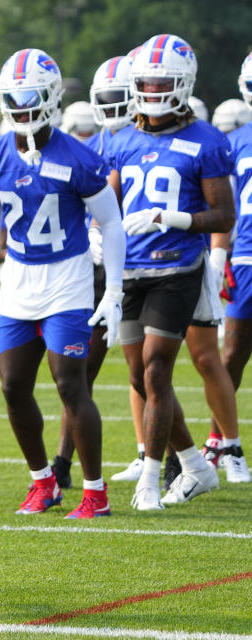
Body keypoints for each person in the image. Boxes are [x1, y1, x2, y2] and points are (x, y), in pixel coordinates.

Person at [0, 48, 126, 519]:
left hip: (69, 278)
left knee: (69, 383)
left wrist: (113, 291)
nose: (21, 106)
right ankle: (43, 481)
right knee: (13, 385)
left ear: (51, 96)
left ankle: (95, 491)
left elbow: (111, 225)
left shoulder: (79, 156)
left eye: (29, 96)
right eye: (12, 97)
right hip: (17, 279)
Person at [106, 34, 234, 509]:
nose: (155, 90)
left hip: (178, 265)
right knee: (141, 377)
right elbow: (109, 203)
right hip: (129, 270)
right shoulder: (123, 141)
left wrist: (174, 218)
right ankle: (197, 466)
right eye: (147, 82)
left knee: (157, 370)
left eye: (164, 82)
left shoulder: (206, 140)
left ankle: (152, 480)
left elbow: (224, 216)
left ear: (183, 85)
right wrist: (100, 231)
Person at [51, 54, 135, 489]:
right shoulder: (89, 148)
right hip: (97, 269)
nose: (113, 107)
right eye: (107, 98)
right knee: (83, 372)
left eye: (121, 97)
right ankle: (63, 462)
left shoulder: (144, 143)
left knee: (146, 370)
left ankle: (187, 456)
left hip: (149, 269)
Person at [202, 52, 252, 483]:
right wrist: (222, 256)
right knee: (232, 354)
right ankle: (221, 441)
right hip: (247, 258)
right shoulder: (233, 142)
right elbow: (220, 206)